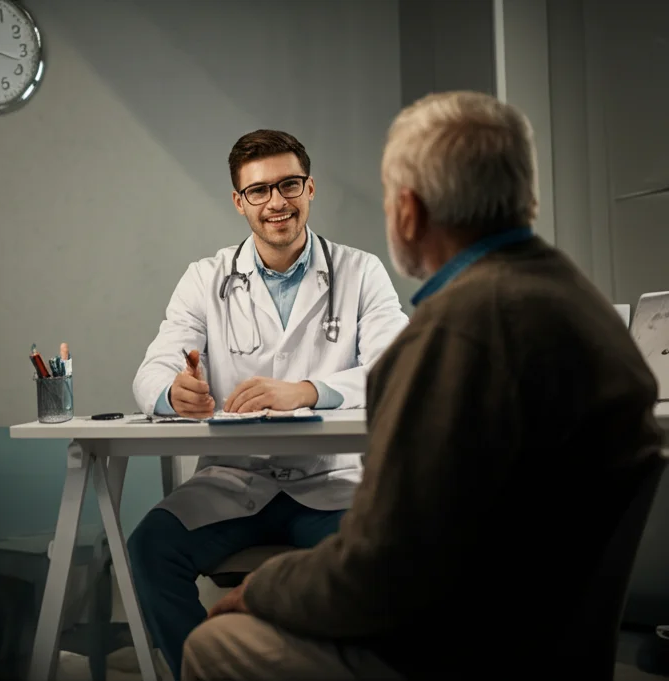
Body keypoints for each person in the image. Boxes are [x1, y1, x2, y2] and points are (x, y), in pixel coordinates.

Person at [181, 91, 664, 681]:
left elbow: (378, 570)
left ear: (407, 209)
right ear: (525, 194)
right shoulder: (587, 309)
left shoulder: (453, 336)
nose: (277, 203)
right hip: (554, 642)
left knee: (216, 641)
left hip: (458, 650)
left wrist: (261, 590)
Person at [128, 129, 409, 677]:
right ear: (239, 202)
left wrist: (309, 392)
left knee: (384, 566)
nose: (276, 202)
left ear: (310, 189)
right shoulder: (204, 280)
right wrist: (172, 393)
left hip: (331, 484)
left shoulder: (361, 271)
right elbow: (153, 370)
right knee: (149, 549)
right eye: (259, 191)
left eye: (289, 185)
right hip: (234, 483)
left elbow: (396, 372)